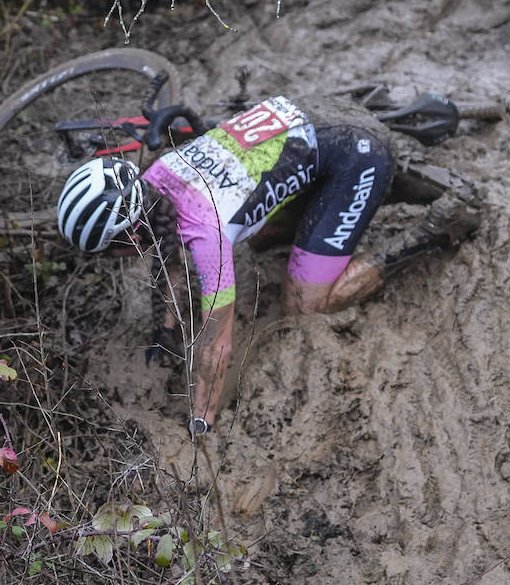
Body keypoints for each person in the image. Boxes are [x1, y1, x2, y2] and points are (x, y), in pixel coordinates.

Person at [55, 95, 480, 438]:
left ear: (129, 238)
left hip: (356, 153)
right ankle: (312, 215)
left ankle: (433, 229)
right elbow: (167, 255)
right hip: (315, 115)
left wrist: (200, 421)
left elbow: (216, 341)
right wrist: (164, 332)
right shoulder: (157, 178)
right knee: (257, 235)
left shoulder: (206, 231)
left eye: (106, 252)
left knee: (306, 305)